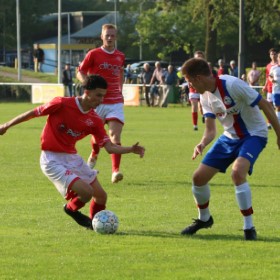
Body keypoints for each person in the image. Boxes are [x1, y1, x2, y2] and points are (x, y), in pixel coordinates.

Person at [0, 75, 145, 230]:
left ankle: (94, 226)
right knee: (87, 192)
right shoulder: (62, 103)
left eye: (103, 96)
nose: (101, 100)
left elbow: (109, 147)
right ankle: (70, 209)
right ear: (87, 92)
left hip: (72, 157)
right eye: (98, 95)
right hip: (51, 159)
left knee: (101, 196)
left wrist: (130, 149)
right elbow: (33, 113)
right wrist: (6, 125)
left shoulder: (94, 120)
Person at [180, 58, 280, 240]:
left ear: (199, 77)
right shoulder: (204, 97)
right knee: (198, 178)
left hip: (254, 134)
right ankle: (204, 219)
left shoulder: (232, 84)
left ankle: (249, 227)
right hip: (229, 137)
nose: (190, 86)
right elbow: (210, 130)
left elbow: (265, 104)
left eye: (189, 81)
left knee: (237, 173)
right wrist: (202, 143)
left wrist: (279, 135)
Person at [77, 24, 126, 184]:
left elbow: (120, 73)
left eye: (112, 35)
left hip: (115, 102)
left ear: (116, 37)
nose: (110, 38)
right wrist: (87, 84)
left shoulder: (120, 56)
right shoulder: (94, 54)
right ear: (102, 37)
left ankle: (116, 171)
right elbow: (80, 71)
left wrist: (121, 90)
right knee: (98, 136)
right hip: (97, 102)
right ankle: (94, 153)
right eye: (107, 35)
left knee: (114, 135)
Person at [188, 50, 205, 130]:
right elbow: (185, 74)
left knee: (202, 106)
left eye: (201, 57)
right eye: (198, 57)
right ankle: (195, 125)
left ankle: (203, 116)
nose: (199, 58)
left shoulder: (205, 67)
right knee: (194, 106)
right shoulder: (190, 66)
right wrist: (188, 81)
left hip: (202, 89)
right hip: (193, 89)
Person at [263, 48, 278, 129]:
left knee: (277, 106)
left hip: (278, 89)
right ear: (269, 55)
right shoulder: (268, 66)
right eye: (272, 54)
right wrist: (265, 86)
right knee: (269, 105)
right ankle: (269, 123)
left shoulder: (278, 65)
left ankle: (276, 121)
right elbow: (267, 77)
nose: (273, 55)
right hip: (270, 88)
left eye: (274, 54)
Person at [269, 51, 280, 123]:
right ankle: (278, 122)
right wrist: (271, 79)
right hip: (276, 91)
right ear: (278, 58)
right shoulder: (274, 68)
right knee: (278, 107)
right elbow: (270, 76)